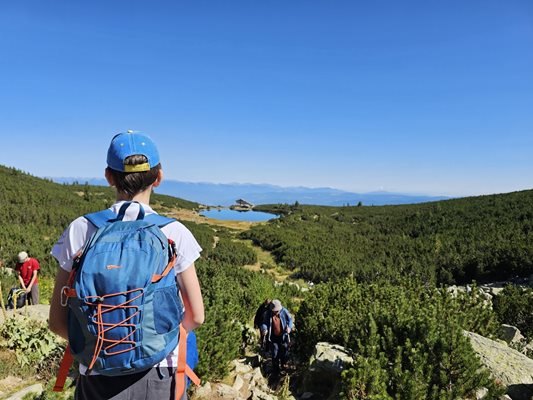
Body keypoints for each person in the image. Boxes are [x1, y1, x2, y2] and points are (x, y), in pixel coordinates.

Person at [49, 131, 205, 400]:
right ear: (159, 178)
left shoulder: (81, 229)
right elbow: (196, 316)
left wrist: (97, 349)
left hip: (97, 374)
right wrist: (155, 342)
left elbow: (56, 322)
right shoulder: (174, 232)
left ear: (109, 176)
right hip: (160, 375)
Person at [260, 299, 293, 375]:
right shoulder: (268, 313)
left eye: (278, 310)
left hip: (283, 336)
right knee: (275, 353)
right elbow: (264, 323)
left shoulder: (284, 311)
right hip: (273, 337)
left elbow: (290, 320)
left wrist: (289, 328)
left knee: (284, 351)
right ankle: (276, 371)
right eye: (275, 310)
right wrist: (264, 329)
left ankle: (283, 365)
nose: (277, 312)